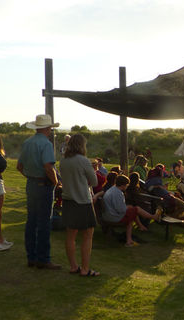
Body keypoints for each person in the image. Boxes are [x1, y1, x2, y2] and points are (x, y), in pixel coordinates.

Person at [17, 114, 61, 269]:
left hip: (31, 183)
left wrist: (30, 176)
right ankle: (43, 258)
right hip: (44, 185)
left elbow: (19, 166)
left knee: (31, 221)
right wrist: (55, 182)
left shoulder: (27, 142)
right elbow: (48, 167)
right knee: (44, 223)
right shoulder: (46, 144)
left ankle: (32, 257)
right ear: (48, 128)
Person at [59, 134, 100, 277]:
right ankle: (85, 268)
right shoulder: (83, 161)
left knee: (70, 235)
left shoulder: (63, 161)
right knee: (87, 235)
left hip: (68, 200)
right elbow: (94, 182)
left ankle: (73, 266)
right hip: (82, 201)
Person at [102, 175, 161, 247]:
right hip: (114, 217)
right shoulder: (118, 193)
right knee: (136, 209)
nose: (127, 187)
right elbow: (121, 210)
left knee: (132, 211)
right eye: (126, 185)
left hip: (107, 215)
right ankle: (153, 217)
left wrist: (128, 207)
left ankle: (131, 238)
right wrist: (127, 207)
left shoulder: (112, 190)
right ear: (123, 185)